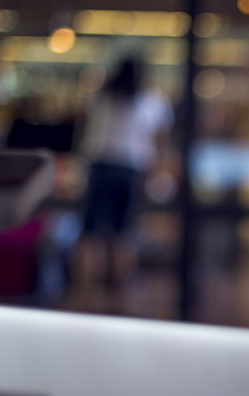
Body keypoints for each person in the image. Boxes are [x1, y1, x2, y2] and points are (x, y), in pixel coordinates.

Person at [74, 57, 174, 310]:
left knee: (92, 233)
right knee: (125, 233)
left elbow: (84, 133)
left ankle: (88, 294)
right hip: (130, 169)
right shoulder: (152, 101)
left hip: (99, 165)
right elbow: (159, 141)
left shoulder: (101, 98)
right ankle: (121, 295)